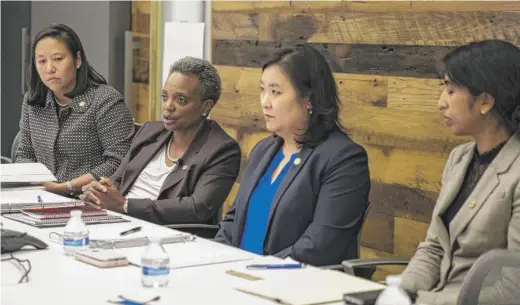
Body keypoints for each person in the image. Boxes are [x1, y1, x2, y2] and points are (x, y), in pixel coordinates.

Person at [213, 45, 370, 266]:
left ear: (309, 99)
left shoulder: (343, 159)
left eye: (275, 92)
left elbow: (320, 246)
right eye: (262, 90)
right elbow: (232, 222)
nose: (264, 101)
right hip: (239, 275)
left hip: (294, 285)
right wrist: (214, 261)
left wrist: (256, 270)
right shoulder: (263, 150)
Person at [400, 40, 520, 305]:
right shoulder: (459, 158)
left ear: (485, 101)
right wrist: (399, 293)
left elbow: (514, 290)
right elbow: (433, 248)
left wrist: (425, 302)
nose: (441, 103)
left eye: (451, 91)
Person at [80, 57, 241, 226]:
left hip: (165, 233)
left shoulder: (222, 150)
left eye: (181, 100)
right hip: (116, 221)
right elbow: (117, 180)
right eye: (165, 97)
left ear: (206, 106)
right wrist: (98, 191)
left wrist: (125, 205)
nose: (167, 106)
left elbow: (197, 208)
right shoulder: (150, 131)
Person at [15, 24, 134, 197]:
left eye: (57, 59)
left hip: (89, 200)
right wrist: (36, 183)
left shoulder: (105, 100)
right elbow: (24, 153)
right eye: (41, 61)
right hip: (42, 197)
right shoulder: (33, 100)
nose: (49, 69)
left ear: (77, 60)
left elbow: (120, 161)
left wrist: (66, 187)